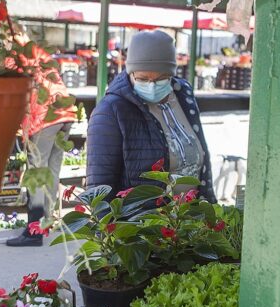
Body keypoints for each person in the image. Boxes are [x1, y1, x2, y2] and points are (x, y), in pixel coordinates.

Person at [87, 30, 216, 201]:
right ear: (130, 73)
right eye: (142, 78)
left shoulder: (183, 96)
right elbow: (99, 190)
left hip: (192, 219)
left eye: (162, 78)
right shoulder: (111, 111)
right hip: (146, 225)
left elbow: (201, 154)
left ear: (171, 74)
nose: (152, 85)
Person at [7, 43, 78, 247]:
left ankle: (34, 231)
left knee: (37, 173)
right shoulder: (39, 52)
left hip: (44, 117)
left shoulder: (14, 58)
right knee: (52, 171)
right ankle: (46, 223)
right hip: (65, 112)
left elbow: (13, 93)